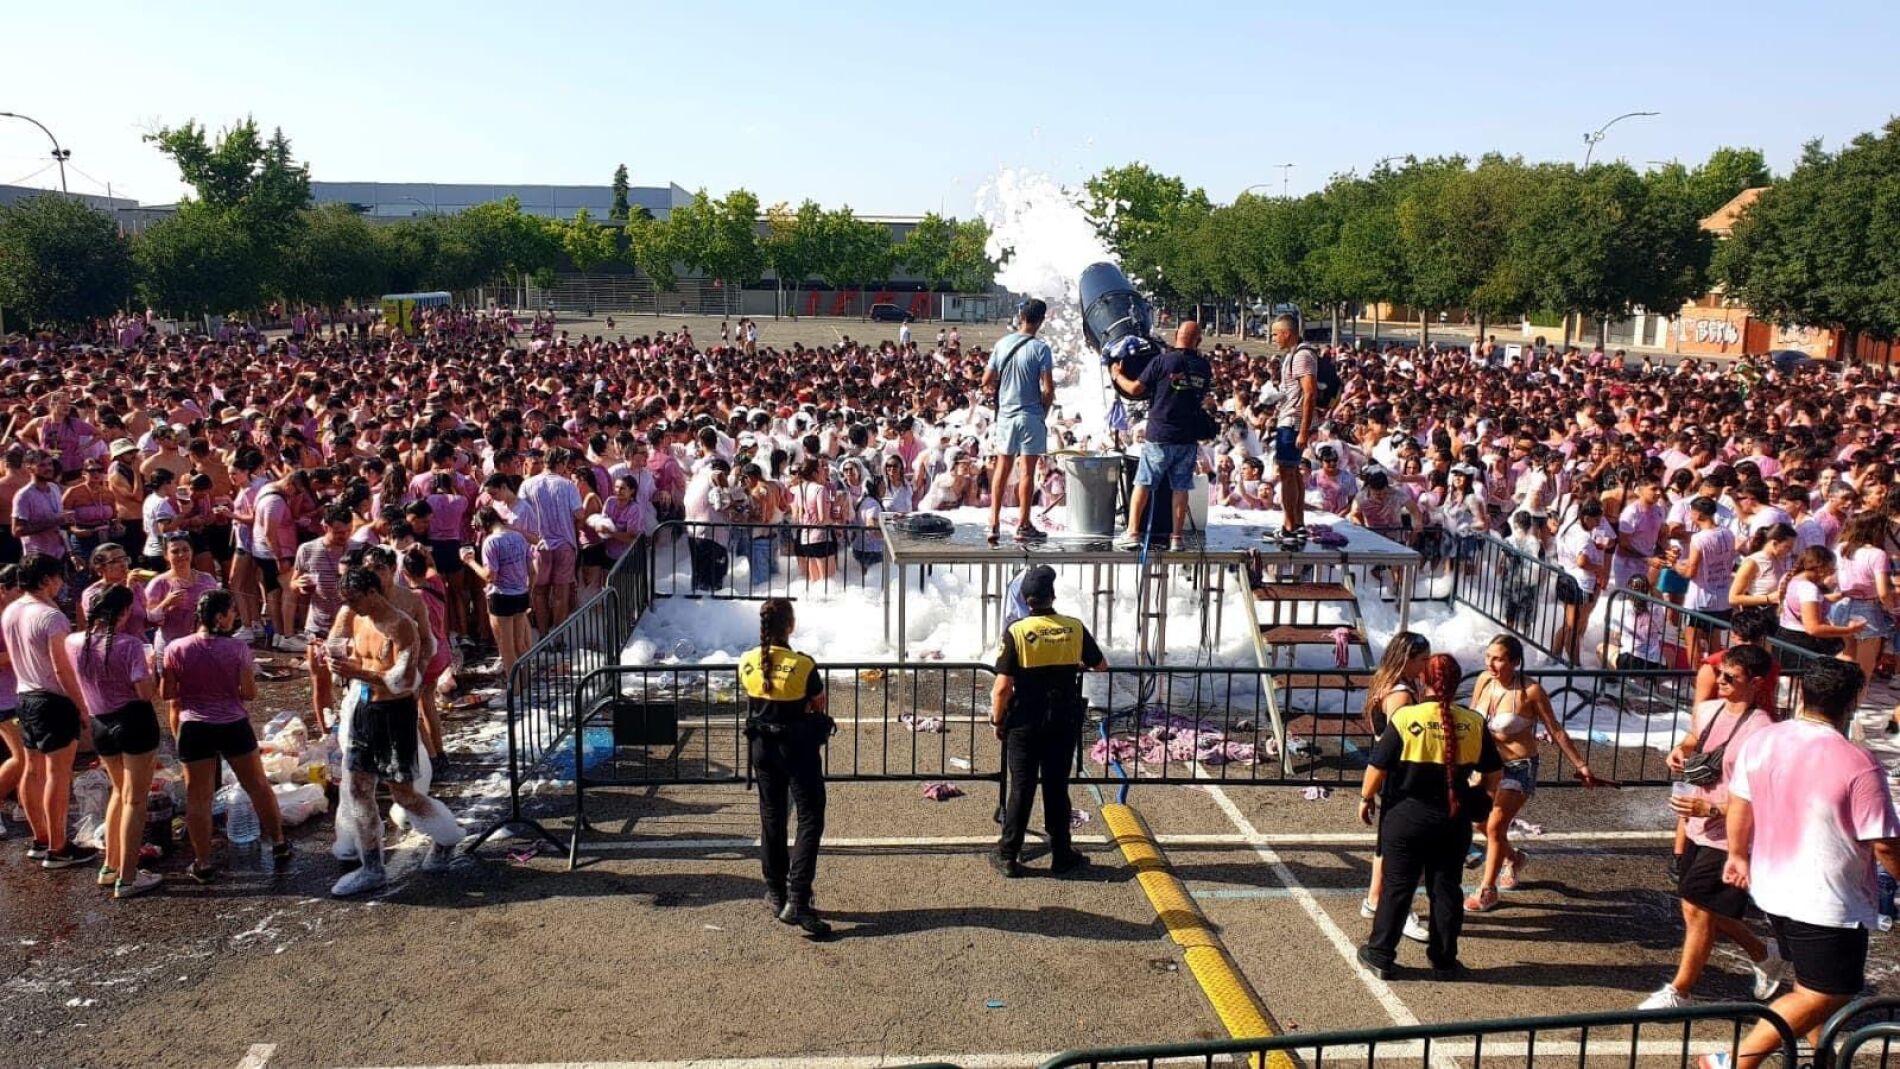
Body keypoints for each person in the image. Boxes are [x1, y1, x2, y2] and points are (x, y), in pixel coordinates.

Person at [1719, 660, 1900, 1069]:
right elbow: (1885, 844)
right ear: (1853, 702)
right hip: (1826, 901)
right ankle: (1731, 1062)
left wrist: (1737, 853)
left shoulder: (1765, 739)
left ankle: (1824, 1061)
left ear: (1803, 693)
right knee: (1826, 993)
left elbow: (1740, 801)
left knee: (1808, 984)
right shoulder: (1858, 762)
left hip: (1773, 887)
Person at [1640, 644, 1783, 1009]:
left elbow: (1762, 796)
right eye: (1721, 674)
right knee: (1705, 906)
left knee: (1697, 906)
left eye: (1730, 678)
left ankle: (1680, 991)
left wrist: (1712, 808)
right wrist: (1680, 751)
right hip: (1697, 825)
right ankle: (1764, 954)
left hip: (1730, 833)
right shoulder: (1708, 709)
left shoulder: (1762, 731)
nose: (1720, 681)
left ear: (1755, 683)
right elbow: (1694, 740)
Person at [1356, 653, 1502, 980]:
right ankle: (1444, 960)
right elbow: (1494, 772)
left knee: (1398, 887)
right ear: (1458, 682)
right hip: (1453, 817)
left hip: (1407, 816)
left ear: (1425, 680)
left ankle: (1380, 954)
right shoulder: (1473, 722)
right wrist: (1482, 796)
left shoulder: (1407, 718)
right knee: (1446, 888)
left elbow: (1377, 766)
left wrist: (1366, 798)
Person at [322, 568, 463, 897]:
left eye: (354, 600)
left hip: (394, 715)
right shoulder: (357, 618)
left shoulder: (401, 625)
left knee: (403, 795)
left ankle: (447, 838)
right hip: (364, 710)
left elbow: (404, 681)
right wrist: (335, 662)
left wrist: (358, 671)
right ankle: (371, 867)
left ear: (372, 593)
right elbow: (351, 655)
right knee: (358, 789)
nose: (350, 606)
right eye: (346, 601)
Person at [161, 589, 289, 883]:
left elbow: (167, 693)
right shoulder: (238, 649)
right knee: (257, 785)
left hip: (194, 727)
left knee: (198, 797)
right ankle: (279, 843)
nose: (235, 617)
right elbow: (250, 693)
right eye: (232, 612)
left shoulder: (175, 648)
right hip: (233, 725)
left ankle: (203, 863)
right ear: (219, 617)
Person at [1464, 634, 1601, 912]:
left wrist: (1581, 765)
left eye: (1498, 659)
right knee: (1480, 823)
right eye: (1488, 656)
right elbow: (1470, 721)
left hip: (1519, 767)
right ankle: (1514, 858)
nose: (1490, 663)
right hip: (1487, 766)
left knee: (1495, 826)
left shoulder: (1531, 691)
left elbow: (1556, 730)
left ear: (1515, 662)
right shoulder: (1484, 681)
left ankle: (1488, 890)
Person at [988, 564, 1108, 878]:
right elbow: (1100, 665)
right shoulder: (1074, 627)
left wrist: (997, 721)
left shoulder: (1017, 632)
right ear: (1052, 596)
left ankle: (1009, 854)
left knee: (1022, 788)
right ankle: (1062, 854)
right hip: (1062, 721)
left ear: (1027, 601)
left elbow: (1002, 688)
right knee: (1057, 787)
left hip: (1025, 722)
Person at [738, 598, 833, 937]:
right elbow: (817, 702)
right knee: (810, 817)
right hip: (797, 746)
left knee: (772, 817)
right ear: (790, 626)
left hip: (762, 748)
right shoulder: (803, 665)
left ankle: (776, 892)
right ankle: (799, 898)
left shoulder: (747, 661)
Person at [68, 585, 163, 898]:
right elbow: (145, 693)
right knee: (135, 800)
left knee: (119, 793)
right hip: (134, 721)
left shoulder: (73, 642)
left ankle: (111, 866)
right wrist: (152, 669)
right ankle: (129, 877)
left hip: (101, 723)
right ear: (123, 613)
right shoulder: (129, 645)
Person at [3, 553, 97, 869]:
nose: (61, 584)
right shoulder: (51, 616)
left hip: (24, 695)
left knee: (33, 770)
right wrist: (82, 706)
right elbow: (62, 668)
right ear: (46, 580)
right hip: (52, 700)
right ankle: (59, 848)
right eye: (58, 578)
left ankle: (41, 839)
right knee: (58, 774)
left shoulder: (12, 609)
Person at [1113, 321, 1214, 552]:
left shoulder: (1162, 361)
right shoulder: (1203, 367)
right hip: (1187, 437)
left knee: (1143, 484)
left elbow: (1135, 389)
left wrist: (1117, 375)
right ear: (1198, 340)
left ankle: (1133, 533)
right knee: (1180, 488)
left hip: (1160, 435)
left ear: (1176, 335)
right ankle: (1176, 538)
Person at [1358, 632, 1432, 943]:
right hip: (1402, 778)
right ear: (1406, 659)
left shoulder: (1387, 681)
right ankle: (1400, 911)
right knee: (1411, 849)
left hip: (1393, 776)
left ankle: (1374, 900)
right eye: (1422, 660)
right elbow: (1398, 741)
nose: (1426, 666)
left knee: (1386, 844)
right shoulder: (1400, 695)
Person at [981, 299, 1055, 545]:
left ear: (1020, 317)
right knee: (1027, 473)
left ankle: (993, 522)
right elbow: (1048, 388)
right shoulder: (1041, 349)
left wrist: (1004, 389)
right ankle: (1023, 525)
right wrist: (1043, 411)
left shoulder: (1002, 344)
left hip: (1006, 416)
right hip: (1031, 415)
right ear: (1041, 321)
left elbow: (986, 379)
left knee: (1002, 469)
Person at [463, 506, 532, 684]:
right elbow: (532, 569)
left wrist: (470, 562)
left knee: (506, 646)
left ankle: (515, 689)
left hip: (502, 596)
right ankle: (526, 683)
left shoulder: (491, 542)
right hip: (521, 593)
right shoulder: (518, 537)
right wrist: (529, 589)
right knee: (520, 643)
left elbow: (489, 576)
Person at [1269, 315, 1318, 545]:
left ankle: (1289, 526)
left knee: (1286, 473)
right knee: (1293, 473)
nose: (1273, 338)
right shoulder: (1293, 355)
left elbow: (1310, 393)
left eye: (1275, 334)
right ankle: (1297, 524)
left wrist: (1303, 430)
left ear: (1287, 333)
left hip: (1293, 423)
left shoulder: (1301, 356)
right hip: (1290, 419)